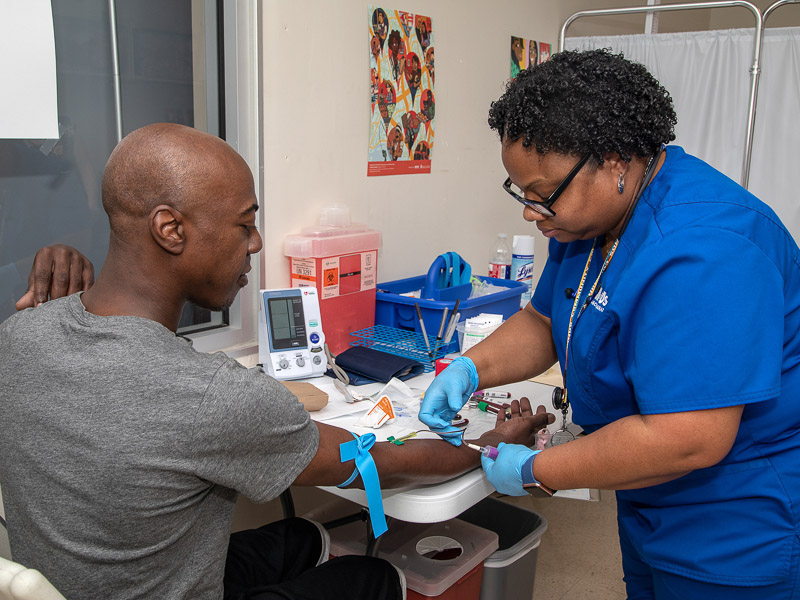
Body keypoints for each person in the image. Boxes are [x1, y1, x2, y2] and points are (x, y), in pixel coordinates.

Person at [0, 123, 551, 600]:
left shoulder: (20, 336)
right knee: (369, 577)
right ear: (171, 229)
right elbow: (378, 460)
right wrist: (491, 446)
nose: (258, 243)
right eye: (245, 224)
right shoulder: (210, 396)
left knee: (304, 538)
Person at [419, 49, 800, 599]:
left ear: (616, 160)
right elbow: (544, 319)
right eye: (520, 191)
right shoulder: (590, 223)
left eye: (543, 193)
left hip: (737, 516)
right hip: (647, 490)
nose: (530, 211)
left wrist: (538, 469)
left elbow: (687, 440)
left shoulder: (708, 251)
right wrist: (468, 368)